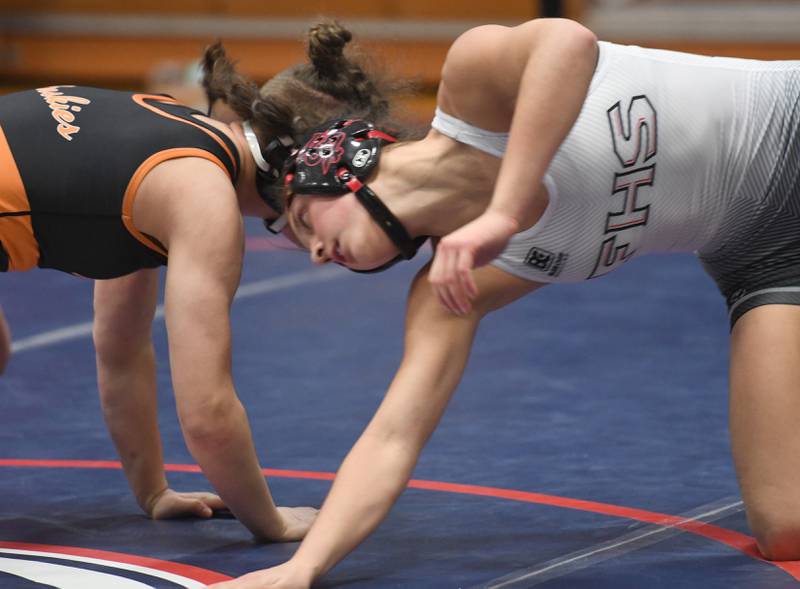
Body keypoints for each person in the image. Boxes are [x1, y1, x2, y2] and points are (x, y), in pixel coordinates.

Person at [207, 16, 800, 588]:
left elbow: (569, 42)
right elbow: (393, 437)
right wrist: (303, 568)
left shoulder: (473, 90)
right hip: (765, 257)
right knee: (784, 526)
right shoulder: (452, 288)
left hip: (789, 120)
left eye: (305, 221)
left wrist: (503, 214)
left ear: (343, 161)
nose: (312, 251)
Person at [0, 22, 399, 540]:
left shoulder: (174, 132)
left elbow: (120, 347)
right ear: (308, 169)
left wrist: (152, 491)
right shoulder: (201, 194)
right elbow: (207, 413)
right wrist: (269, 521)